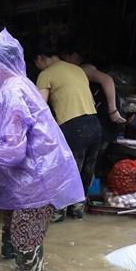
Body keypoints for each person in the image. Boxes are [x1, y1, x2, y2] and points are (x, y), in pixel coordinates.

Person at [0, 29, 83, 271]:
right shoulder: (16, 86)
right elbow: (4, 137)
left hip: (36, 181)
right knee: (11, 238)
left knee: (26, 244)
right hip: (23, 181)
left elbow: (13, 150)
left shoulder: (14, 91)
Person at [34, 42, 101, 219]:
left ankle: (58, 213)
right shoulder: (77, 70)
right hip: (95, 123)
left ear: (40, 58)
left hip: (74, 126)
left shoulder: (46, 74)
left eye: (36, 63)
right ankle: (78, 211)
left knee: (66, 169)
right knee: (86, 170)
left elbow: (40, 107)